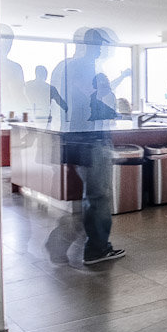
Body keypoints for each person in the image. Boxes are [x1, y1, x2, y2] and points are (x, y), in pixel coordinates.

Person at [45, 28, 125, 265]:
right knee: (99, 196)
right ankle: (96, 249)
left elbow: (69, 102)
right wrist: (112, 113)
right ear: (88, 45)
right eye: (98, 44)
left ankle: (65, 242)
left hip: (75, 138)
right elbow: (89, 101)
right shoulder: (83, 67)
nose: (100, 49)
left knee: (91, 197)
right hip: (91, 140)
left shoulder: (66, 66)